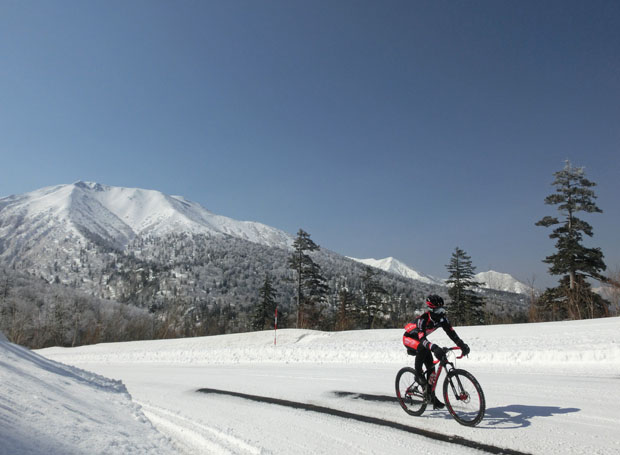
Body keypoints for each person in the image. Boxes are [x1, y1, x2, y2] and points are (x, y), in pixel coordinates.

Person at [402, 294, 470, 409]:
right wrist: (434, 347)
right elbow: (422, 339)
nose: (441, 313)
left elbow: (451, 333)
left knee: (431, 369)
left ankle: (430, 395)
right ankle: (418, 375)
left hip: (421, 340)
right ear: (431, 310)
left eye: (443, 309)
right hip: (409, 339)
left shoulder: (442, 319)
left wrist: (462, 345)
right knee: (423, 348)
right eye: (438, 310)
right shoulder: (423, 320)